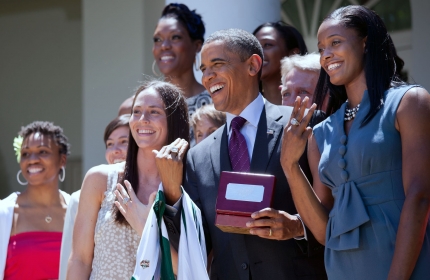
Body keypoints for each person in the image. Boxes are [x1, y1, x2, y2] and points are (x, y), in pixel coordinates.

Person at [159, 28, 326, 280]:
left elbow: (335, 221)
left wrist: (296, 227)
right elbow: (194, 247)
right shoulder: (198, 156)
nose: (207, 76)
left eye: (217, 64)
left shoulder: (302, 125)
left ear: (253, 65)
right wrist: (171, 196)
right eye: (203, 69)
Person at [281, 5, 430, 280]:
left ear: (365, 43)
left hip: (405, 266)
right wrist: (290, 166)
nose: (326, 55)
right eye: (321, 48)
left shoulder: (410, 102)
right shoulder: (321, 133)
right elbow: (326, 232)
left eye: (335, 43)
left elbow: (420, 197)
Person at [67, 80, 204, 279]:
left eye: (154, 112)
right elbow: (80, 259)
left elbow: (190, 270)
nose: (142, 119)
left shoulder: (190, 185)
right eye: (136, 111)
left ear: (174, 120)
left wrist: (146, 228)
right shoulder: (100, 179)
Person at [58, 114, 130, 280]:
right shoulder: (80, 198)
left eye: (124, 142)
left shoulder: (156, 189)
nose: (115, 150)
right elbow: (75, 260)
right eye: (110, 144)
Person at [0, 121, 71, 279]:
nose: (32, 159)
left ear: (62, 160)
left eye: (43, 152)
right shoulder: (4, 214)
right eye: (25, 154)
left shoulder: (78, 212)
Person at [152, 3, 212, 145]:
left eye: (175, 37)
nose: (164, 45)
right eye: (157, 39)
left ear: (197, 46)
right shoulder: (139, 107)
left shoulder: (218, 104)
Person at [253, 21, 307, 105]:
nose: (256, 52)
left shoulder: (310, 106)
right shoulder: (242, 111)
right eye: (253, 46)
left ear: (293, 54)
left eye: (267, 45)